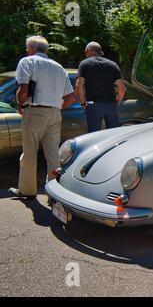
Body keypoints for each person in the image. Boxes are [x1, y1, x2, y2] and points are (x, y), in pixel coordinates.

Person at [8, 35, 76, 199]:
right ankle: (54, 192)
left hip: (35, 112)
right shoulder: (59, 67)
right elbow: (71, 97)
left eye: (27, 47)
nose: (26, 50)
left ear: (31, 48)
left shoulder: (27, 61)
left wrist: (19, 103)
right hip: (54, 113)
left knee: (29, 153)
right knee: (53, 154)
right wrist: (55, 106)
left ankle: (27, 190)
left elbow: (23, 90)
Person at [75, 42, 126, 133]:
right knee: (114, 134)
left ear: (90, 50)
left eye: (86, 52)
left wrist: (83, 103)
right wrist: (117, 103)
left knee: (93, 135)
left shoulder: (84, 64)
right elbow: (122, 88)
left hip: (93, 105)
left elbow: (79, 85)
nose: (86, 54)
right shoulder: (112, 64)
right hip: (111, 105)